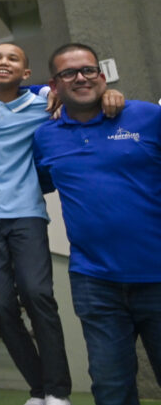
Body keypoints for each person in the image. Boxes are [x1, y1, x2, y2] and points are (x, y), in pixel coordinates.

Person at [34, 43, 161, 405]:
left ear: (102, 77)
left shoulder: (147, 117)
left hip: (157, 276)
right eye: (69, 73)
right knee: (110, 389)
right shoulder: (46, 137)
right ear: (54, 85)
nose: (81, 77)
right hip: (95, 282)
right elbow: (41, 183)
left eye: (88, 70)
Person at [0, 42, 73, 405]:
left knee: (38, 295)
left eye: (13, 58)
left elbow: (79, 103)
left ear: (26, 73)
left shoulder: (42, 107)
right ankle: (39, 387)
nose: (3, 62)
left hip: (27, 213)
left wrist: (52, 90)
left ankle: (58, 391)